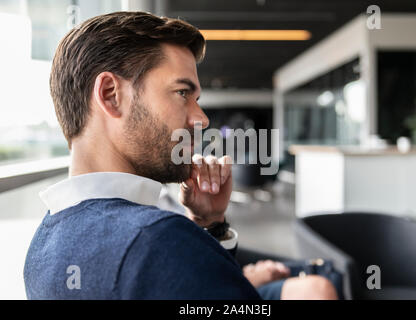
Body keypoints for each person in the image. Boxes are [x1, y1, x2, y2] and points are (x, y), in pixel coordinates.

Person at [23, 11, 337, 300]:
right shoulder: (154, 239)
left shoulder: (41, 248)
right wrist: (246, 284)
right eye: (182, 93)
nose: (201, 118)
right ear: (110, 95)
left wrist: (210, 223)